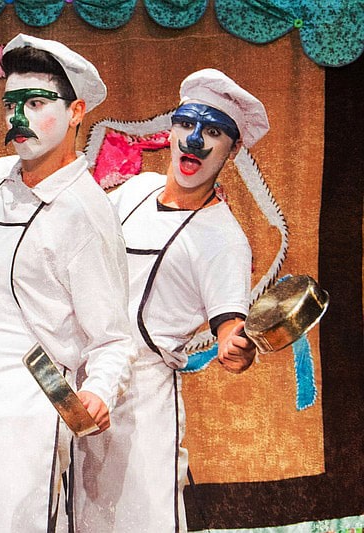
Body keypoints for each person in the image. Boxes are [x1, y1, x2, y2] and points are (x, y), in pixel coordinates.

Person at [0, 34, 137, 532]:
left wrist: (100, 391)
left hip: (29, 414)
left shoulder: (86, 213)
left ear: (76, 111)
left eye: (36, 103)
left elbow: (112, 338)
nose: (18, 118)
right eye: (11, 105)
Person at [73, 68, 265, 532]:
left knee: (139, 518)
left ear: (232, 149)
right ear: (172, 130)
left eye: (213, 132)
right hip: (85, 379)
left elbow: (230, 326)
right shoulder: (135, 191)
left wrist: (237, 348)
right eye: (187, 124)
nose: (195, 140)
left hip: (143, 401)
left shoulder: (224, 239)